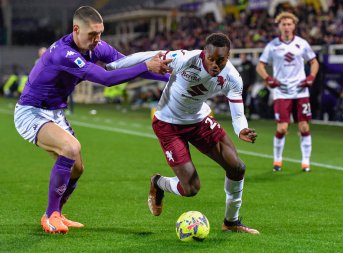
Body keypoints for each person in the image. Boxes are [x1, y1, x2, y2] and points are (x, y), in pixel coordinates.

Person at [14, 6, 171, 234]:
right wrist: (146, 66)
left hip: (55, 113)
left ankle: (58, 212)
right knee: (71, 147)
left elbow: (124, 63)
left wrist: (167, 76)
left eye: (100, 33)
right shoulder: (63, 53)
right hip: (32, 111)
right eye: (92, 34)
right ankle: (51, 215)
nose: (97, 40)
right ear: (76, 29)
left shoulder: (95, 46)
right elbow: (106, 79)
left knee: (77, 169)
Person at [107, 33, 259, 234]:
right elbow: (148, 56)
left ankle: (231, 222)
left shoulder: (232, 77)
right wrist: (112, 66)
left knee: (237, 167)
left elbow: (238, 112)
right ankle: (158, 182)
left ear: (228, 56)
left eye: (220, 60)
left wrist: (241, 130)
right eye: (211, 59)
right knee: (190, 188)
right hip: (168, 124)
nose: (215, 64)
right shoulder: (186, 59)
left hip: (199, 121)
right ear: (204, 53)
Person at [256, 12, 319, 172]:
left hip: (300, 91)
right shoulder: (272, 46)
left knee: (304, 127)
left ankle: (306, 161)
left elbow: (314, 62)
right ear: (279, 26)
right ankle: (277, 160)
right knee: (282, 128)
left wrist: (311, 76)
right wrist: (268, 78)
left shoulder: (302, 43)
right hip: (282, 92)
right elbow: (260, 66)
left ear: (294, 26)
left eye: (289, 24)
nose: (287, 27)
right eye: (283, 24)